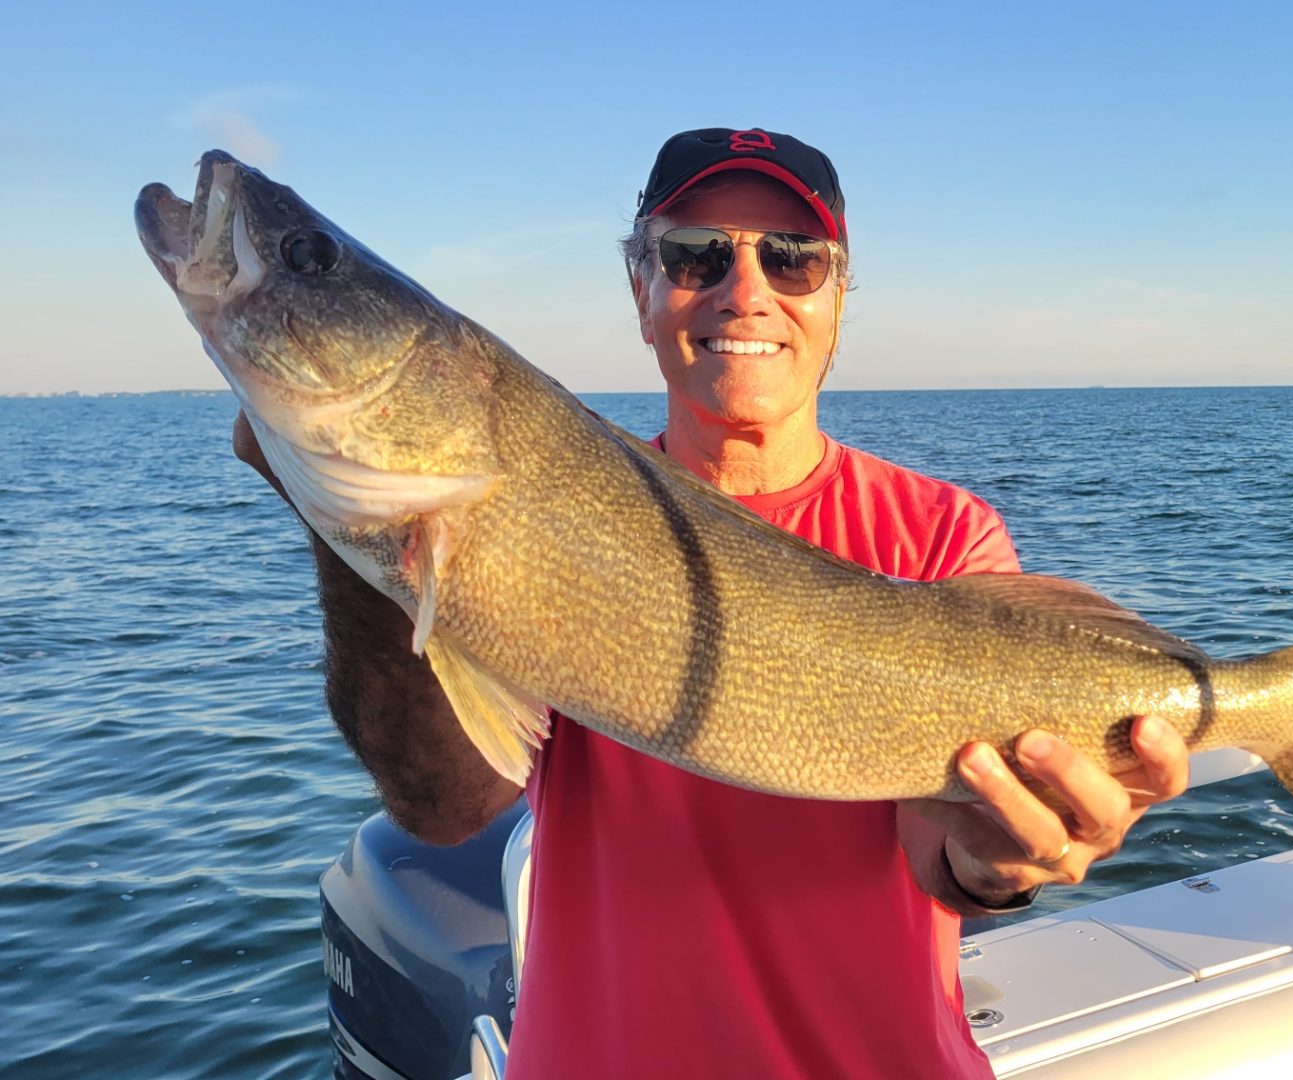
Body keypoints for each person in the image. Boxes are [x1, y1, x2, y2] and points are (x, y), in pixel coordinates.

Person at [235, 126, 1190, 1077]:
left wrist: (1000, 863)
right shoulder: (544, 505)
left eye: (793, 259)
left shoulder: (944, 537)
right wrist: (354, 521)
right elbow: (444, 808)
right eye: (695, 255)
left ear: (839, 295)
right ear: (641, 290)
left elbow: (946, 855)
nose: (745, 290)